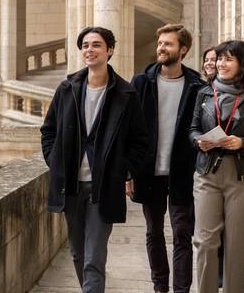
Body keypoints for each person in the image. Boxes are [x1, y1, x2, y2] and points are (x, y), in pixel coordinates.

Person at [41, 26, 150, 293]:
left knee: (93, 258)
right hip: (71, 187)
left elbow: (140, 141)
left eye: (96, 45)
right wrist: (55, 162)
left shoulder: (126, 94)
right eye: (85, 45)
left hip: (104, 188)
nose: (89, 50)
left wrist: (123, 170)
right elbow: (49, 130)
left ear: (110, 50)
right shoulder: (67, 88)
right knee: (78, 254)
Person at [189, 40, 244, 293]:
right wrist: (198, 141)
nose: (220, 63)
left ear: (243, 63)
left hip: (243, 179)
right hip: (208, 174)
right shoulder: (205, 93)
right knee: (205, 242)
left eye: (228, 59)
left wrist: (242, 143)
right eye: (219, 59)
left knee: (237, 247)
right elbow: (193, 128)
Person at [127, 24, 205, 293]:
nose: (161, 48)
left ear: (183, 50)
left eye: (168, 44)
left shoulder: (198, 86)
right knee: (154, 232)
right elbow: (128, 130)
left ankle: (181, 290)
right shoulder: (140, 83)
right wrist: (128, 173)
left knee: (183, 234)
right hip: (148, 171)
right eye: (160, 43)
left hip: (183, 172)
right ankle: (160, 287)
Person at [200, 46, 223, 287]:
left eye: (213, 59)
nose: (209, 63)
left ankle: (219, 271)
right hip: (203, 163)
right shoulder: (202, 90)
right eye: (206, 60)